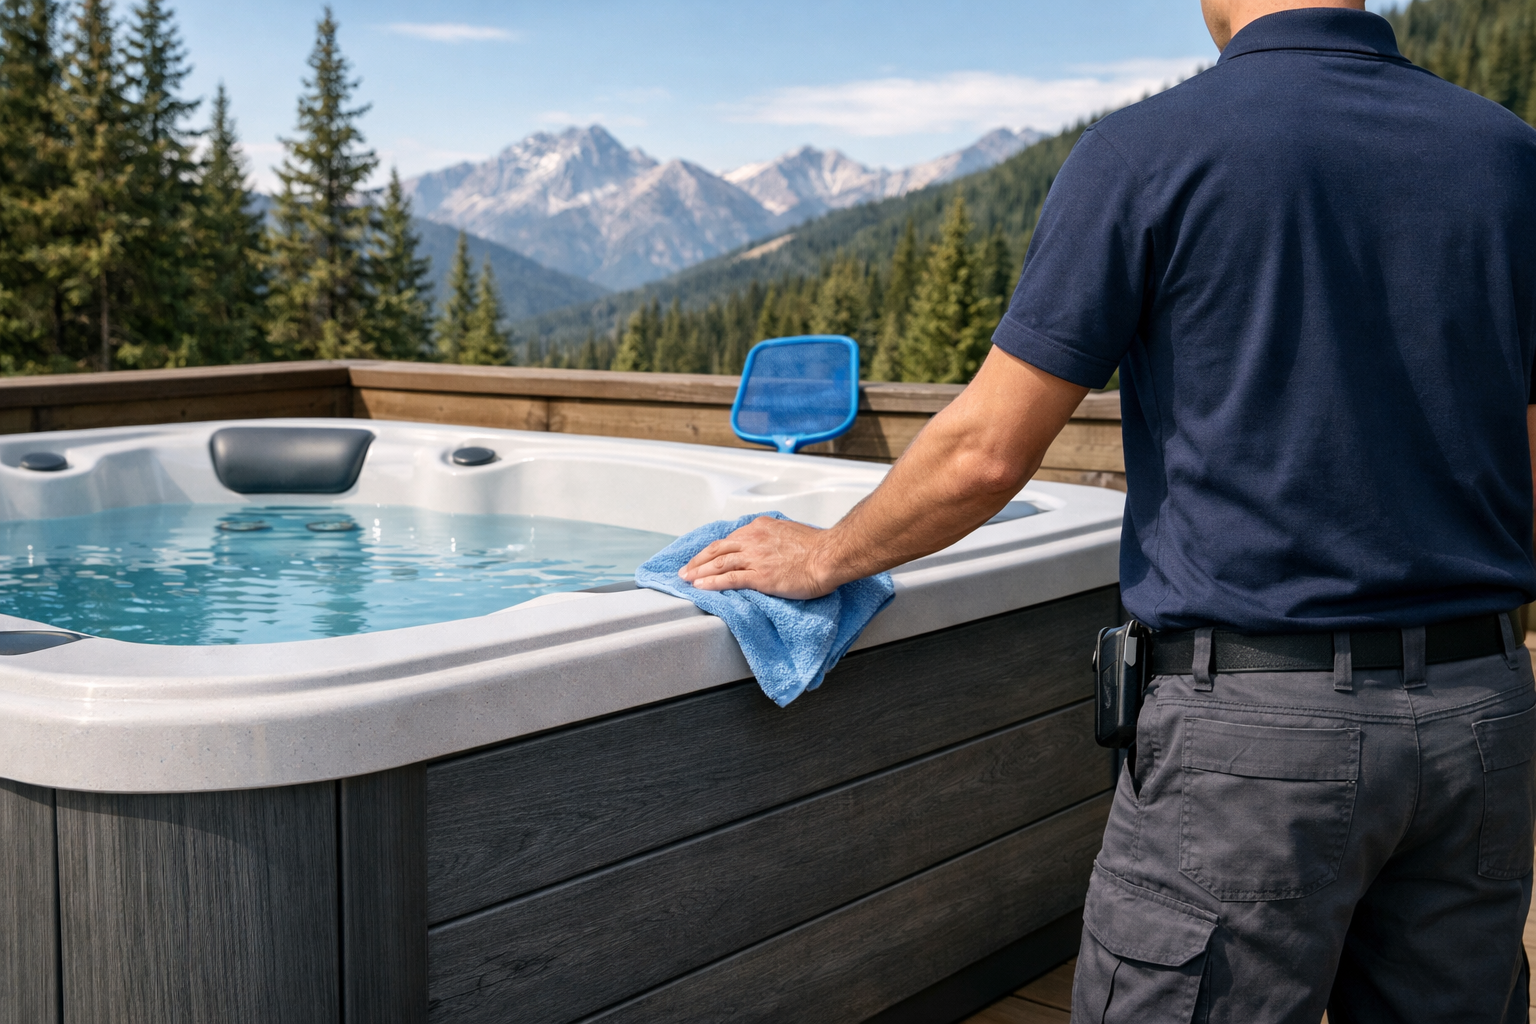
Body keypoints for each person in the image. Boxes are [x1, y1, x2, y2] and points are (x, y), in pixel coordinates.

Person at [679, 1, 1536, 1020]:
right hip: (1478, 718)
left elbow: (987, 450)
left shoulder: (1151, 150)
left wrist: (828, 555)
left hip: (1253, 746)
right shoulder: (1508, 153)